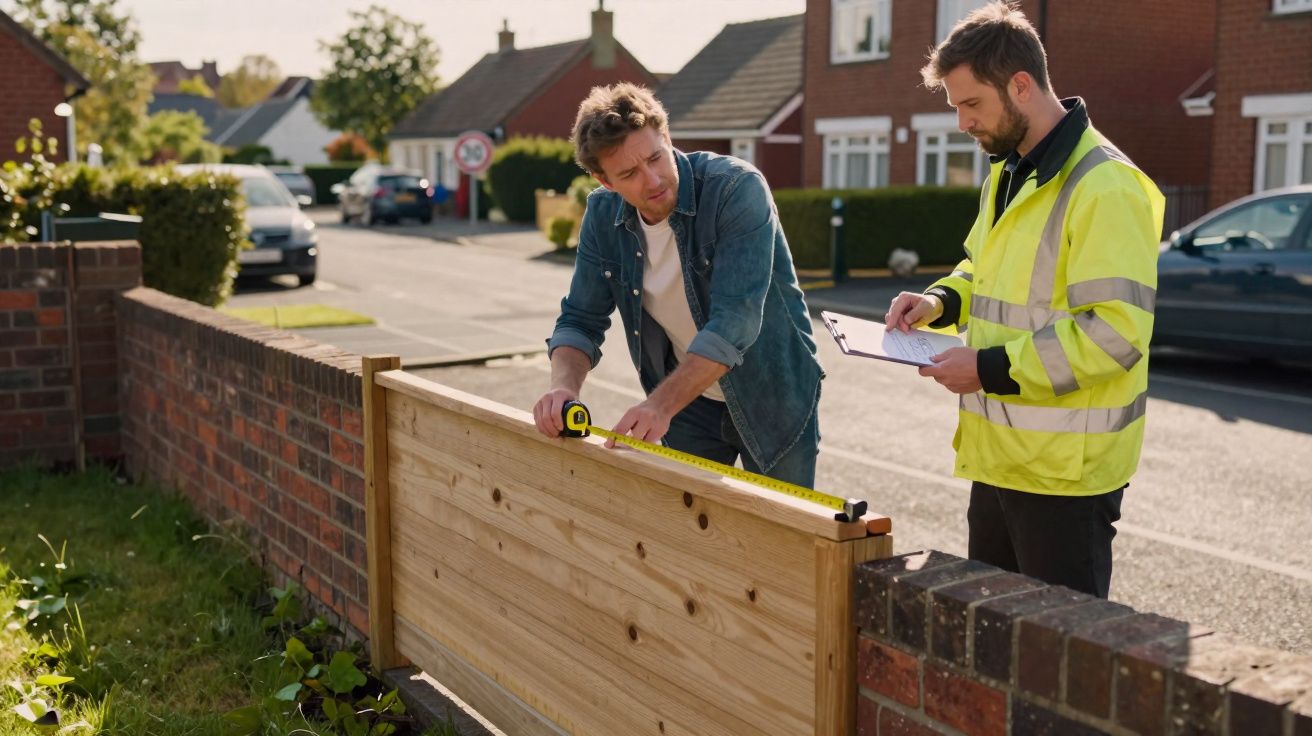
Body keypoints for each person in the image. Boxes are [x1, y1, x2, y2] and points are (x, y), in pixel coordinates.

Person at [885, 2, 1163, 598]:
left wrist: (986, 367)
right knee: (994, 652)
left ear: (1021, 85)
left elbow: (1113, 335)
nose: (962, 122)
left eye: (971, 103)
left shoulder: (1105, 187)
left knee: (1057, 669)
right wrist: (937, 302)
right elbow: (982, 269)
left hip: (1066, 481)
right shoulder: (1007, 172)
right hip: (1000, 459)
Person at [531, 83, 822, 487]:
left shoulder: (736, 189)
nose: (652, 181)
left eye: (655, 157)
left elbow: (734, 320)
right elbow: (581, 318)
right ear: (605, 180)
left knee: (781, 540)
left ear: (666, 137)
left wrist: (658, 406)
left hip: (773, 397)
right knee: (691, 537)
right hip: (689, 406)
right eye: (629, 174)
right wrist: (563, 389)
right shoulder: (602, 214)